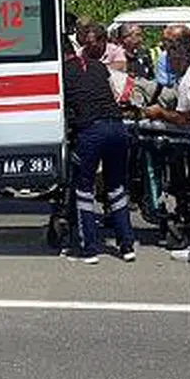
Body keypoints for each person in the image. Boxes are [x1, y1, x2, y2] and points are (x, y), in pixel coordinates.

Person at [63, 27, 136, 264]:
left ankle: (89, 248)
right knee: (116, 187)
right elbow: (114, 93)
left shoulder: (64, 72)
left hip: (91, 131)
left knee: (84, 189)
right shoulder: (99, 67)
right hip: (116, 127)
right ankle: (126, 245)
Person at [145, 34, 190, 265]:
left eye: (171, 61)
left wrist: (159, 113)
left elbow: (182, 118)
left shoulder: (188, 79)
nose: (170, 66)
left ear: (179, 59)